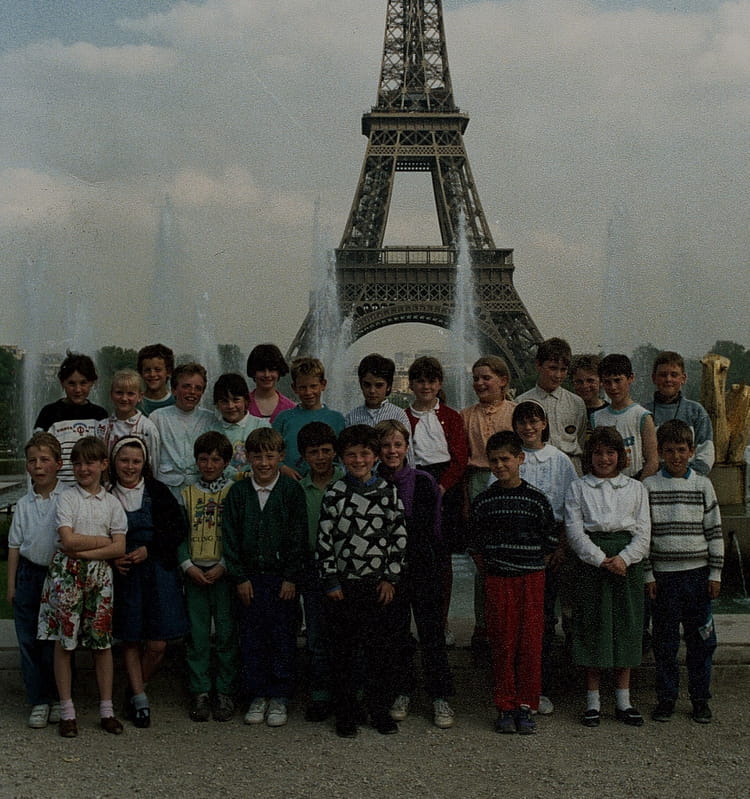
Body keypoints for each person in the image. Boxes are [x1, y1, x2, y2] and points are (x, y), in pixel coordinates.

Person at [316, 425, 407, 738]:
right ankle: (346, 711)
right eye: (351, 455)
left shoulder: (387, 492)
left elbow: (398, 537)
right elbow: (324, 540)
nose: (358, 460)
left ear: (376, 456)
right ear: (342, 458)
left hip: (377, 586)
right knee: (344, 652)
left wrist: (391, 578)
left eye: (365, 454)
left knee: (378, 652)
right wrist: (331, 580)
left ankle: (378, 709)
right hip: (344, 586)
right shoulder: (335, 493)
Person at [37, 436, 128, 738]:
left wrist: (86, 552)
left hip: (99, 576)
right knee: (65, 641)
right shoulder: (67, 498)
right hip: (68, 575)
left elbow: (119, 547)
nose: (83, 469)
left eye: (89, 463)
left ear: (103, 465)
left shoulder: (112, 503)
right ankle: (67, 710)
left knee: (101, 642)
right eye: (77, 463)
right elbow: (68, 539)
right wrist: (103, 541)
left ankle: (106, 709)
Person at [469, 430, 557, 735]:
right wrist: (493, 569)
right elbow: (475, 544)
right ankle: (505, 704)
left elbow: (550, 540)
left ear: (520, 459)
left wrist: (530, 565)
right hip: (498, 579)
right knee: (502, 642)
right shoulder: (484, 501)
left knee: (530, 643)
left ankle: (526, 704)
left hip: (530, 579)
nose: (499, 465)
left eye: (505, 459)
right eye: (494, 460)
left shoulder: (536, 499)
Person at [564, 426, 651, 728]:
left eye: (610, 452)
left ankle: (624, 701)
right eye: (598, 453)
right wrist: (599, 559)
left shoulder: (636, 488)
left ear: (620, 455)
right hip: (592, 563)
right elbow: (574, 530)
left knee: (626, 625)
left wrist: (625, 558)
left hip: (627, 562)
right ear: (590, 455)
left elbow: (643, 532)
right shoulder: (579, 488)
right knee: (593, 625)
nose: (604, 458)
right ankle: (593, 702)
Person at [222, 428, 308, 728]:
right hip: (249, 580)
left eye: (270, 456)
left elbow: (298, 537)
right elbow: (229, 537)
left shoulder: (291, 491)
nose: (263, 463)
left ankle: (280, 694)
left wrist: (291, 576)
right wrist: (239, 577)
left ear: (280, 457)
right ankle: (257, 694)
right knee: (252, 637)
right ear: (247, 457)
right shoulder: (238, 492)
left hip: (281, 580)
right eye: (257, 456)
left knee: (282, 636)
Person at [376, 420, 455, 730]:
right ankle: (402, 690)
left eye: (397, 444)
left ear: (407, 447)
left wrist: (437, 566)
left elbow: (436, 528)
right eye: (386, 445)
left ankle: (440, 695)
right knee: (396, 633)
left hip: (422, 566)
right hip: (388, 572)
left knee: (432, 633)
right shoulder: (373, 482)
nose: (392, 451)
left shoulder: (423, 481)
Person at [643, 419, 723, 724]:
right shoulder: (650, 486)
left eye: (681, 450)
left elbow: (714, 531)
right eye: (669, 450)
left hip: (697, 576)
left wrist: (715, 573)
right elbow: (645, 534)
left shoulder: (702, 485)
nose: (675, 456)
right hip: (664, 578)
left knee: (701, 640)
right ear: (661, 452)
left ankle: (700, 699)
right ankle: (666, 698)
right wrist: (649, 574)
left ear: (691, 451)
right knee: (665, 641)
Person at [109, 436, 189, 728]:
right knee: (131, 638)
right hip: (126, 575)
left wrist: (150, 548)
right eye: (124, 460)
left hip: (157, 572)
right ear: (114, 462)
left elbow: (177, 528)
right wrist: (112, 558)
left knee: (158, 643)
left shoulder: (157, 491)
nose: (130, 467)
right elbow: (97, 533)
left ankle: (133, 690)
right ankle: (141, 699)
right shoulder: (107, 494)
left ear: (144, 464)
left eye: (136, 461)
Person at [511, 400, 577, 716]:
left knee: (544, 620)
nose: (528, 427)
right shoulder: (512, 458)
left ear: (544, 424)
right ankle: (515, 685)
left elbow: (570, 508)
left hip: (549, 549)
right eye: (522, 422)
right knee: (517, 619)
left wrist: (561, 547)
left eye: (534, 421)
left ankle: (541, 686)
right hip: (516, 548)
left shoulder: (559, 460)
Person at [405, 355, 468, 645]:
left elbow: (460, 459)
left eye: (431, 381)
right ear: (411, 384)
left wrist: (442, 487)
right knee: (414, 558)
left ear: (440, 384)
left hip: (445, 488)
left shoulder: (452, 417)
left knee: (442, 560)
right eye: (420, 381)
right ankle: (415, 623)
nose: (426, 386)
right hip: (415, 486)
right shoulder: (402, 417)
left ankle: (441, 623)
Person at [179, 431, 238, 723]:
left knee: (227, 634)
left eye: (216, 460)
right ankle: (200, 690)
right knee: (197, 635)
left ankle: (225, 690)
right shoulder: (186, 493)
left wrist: (225, 564)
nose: (209, 465)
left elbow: (238, 533)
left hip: (223, 573)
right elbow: (179, 533)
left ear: (226, 462)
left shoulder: (234, 491)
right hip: (195, 574)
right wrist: (187, 565)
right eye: (203, 459)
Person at [7, 432, 64, 728]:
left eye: (44, 460)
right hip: (29, 574)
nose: (38, 466)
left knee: (54, 641)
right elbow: (14, 545)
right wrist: (11, 585)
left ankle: (58, 696)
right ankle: (38, 699)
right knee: (28, 639)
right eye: (32, 461)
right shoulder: (24, 503)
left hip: (59, 574)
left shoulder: (68, 497)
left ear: (58, 463)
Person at [460, 355, 516, 651]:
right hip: (478, 484)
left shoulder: (516, 413)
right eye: (476, 378)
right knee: (482, 560)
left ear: (503, 381)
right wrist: (466, 500)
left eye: (486, 378)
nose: (479, 383)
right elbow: (462, 463)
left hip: (510, 485)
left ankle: (511, 624)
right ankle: (483, 625)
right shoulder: (465, 416)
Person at [296, 422, 344, 722]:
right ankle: (320, 693)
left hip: (345, 567)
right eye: (314, 452)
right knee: (316, 632)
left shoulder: (346, 482)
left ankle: (350, 691)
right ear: (303, 456)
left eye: (326, 451)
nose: (321, 457)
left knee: (347, 631)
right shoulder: (300, 489)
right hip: (313, 567)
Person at [34, 351, 109, 485]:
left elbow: (104, 452)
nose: (77, 389)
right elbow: (38, 451)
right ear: (62, 383)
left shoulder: (100, 415)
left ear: (92, 383)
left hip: (91, 488)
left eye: (83, 383)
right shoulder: (49, 413)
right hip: (58, 488)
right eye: (71, 383)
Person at [517, 337, 587, 475]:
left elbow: (581, 438)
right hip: (536, 470)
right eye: (553, 368)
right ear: (538, 365)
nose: (558, 375)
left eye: (563, 369)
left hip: (571, 470)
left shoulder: (577, 403)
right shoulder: (520, 402)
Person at [150, 362, 214, 502]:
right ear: (174, 389)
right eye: (186, 386)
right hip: (166, 490)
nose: (192, 392)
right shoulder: (158, 417)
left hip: (200, 491)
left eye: (198, 388)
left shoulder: (210, 419)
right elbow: (151, 458)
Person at [272, 357, 346, 478]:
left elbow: (343, 455)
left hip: (327, 483)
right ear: (294, 388)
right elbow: (269, 450)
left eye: (313, 386)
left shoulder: (337, 419)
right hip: (291, 482)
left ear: (323, 385)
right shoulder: (283, 419)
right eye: (302, 387)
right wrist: (282, 467)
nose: (308, 392)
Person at [644, 351, 715, 476]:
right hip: (653, 480)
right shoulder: (643, 413)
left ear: (683, 378)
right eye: (663, 375)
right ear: (654, 378)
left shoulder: (696, 412)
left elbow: (706, 453)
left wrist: (686, 477)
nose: (668, 379)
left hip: (690, 480)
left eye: (674, 375)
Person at [593, 353, 658, 480]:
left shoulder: (642, 416)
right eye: (607, 382)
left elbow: (652, 461)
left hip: (635, 480)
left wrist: (638, 487)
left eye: (618, 380)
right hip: (604, 483)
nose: (613, 387)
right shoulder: (596, 417)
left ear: (630, 378)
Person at [344, 354, 413, 464]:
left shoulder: (398, 415)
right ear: (361, 385)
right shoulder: (352, 417)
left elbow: (408, 455)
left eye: (379, 385)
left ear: (388, 386)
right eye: (367, 385)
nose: (372, 391)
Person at [97, 369, 161, 473]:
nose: (124, 398)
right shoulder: (102, 427)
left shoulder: (147, 428)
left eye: (130, 394)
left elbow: (154, 464)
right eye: (119, 393)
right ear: (111, 394)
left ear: (140, 396)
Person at [211, 372, 270, 480]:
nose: (230, 406)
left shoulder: (261, 426)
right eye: (224, 401)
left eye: (236, 400)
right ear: (217, 404)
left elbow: (267, 458)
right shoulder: (212, 430)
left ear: (246, 401)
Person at [246, 343, 296, 423]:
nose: (267, 375)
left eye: (272, 369)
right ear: (253, 372)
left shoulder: (290, 409)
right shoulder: (242, 405)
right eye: (261, 370)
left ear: (279, 372)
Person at [136, 343, 176, 417]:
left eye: (158, 370)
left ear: (169, 372)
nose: (152, 374)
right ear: (141, 373)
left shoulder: (177, 403)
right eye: (147, 370)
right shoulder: (135, 403)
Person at [570, 354, 608, 430]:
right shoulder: (567, 411)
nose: (584, 386)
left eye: (590, 380)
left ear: (601, 381)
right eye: (579, 381)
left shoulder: (609, 412)